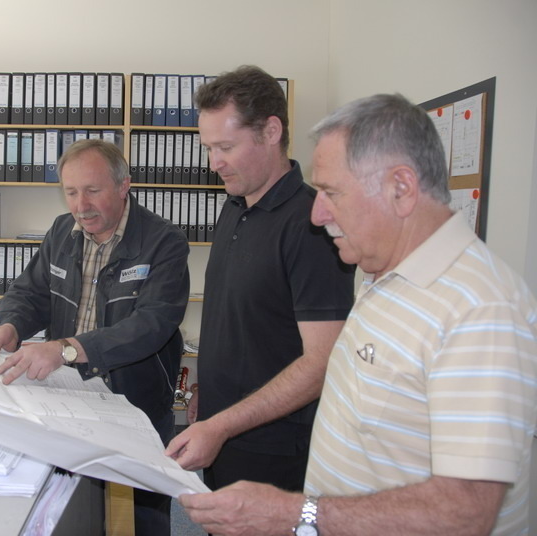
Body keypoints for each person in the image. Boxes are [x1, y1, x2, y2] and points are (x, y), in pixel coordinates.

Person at [179, 93, 537, 536]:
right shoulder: (385, 277)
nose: (317, 213)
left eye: (332, 193)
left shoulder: (481, 310)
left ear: (401, 188)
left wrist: (294, 514)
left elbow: (465, 513)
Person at [165, 65, 355, 493]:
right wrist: (209, 389)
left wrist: (222, 424)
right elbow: (240, 318)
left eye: (226, 147)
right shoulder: (235, 205)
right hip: (222, 429)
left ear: (271, 131)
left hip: (274, 450)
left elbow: (323, 362)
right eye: (208, 148)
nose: (214, 163)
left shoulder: (312, 225)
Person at [0, 138, 190, 536]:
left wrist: (67, 349)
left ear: (123, 185)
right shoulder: (62, 231)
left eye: (93, 190)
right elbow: (30, 293)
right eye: (71, 192)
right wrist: (11, 325)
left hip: (135, 403)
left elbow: (152, 324)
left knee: (142, 514)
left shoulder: (164, 241)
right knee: (73, 508)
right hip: (68, 398)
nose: (81, 206)